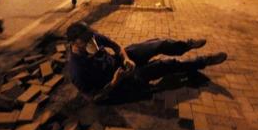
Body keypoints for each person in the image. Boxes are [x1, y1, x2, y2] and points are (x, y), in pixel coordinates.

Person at [66, 21, 228, 102]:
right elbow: (94, 98)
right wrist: (116, 82)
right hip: (119, 82)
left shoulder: (91, 37)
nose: (92, 42)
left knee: (156, 44)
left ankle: (186, 45)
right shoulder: (77, 70)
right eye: (86, 40)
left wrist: (126, 58)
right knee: (165, 65)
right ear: (74, 43)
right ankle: (203, 61)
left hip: (119, 63)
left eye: (91, 37)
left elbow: (115, 46)